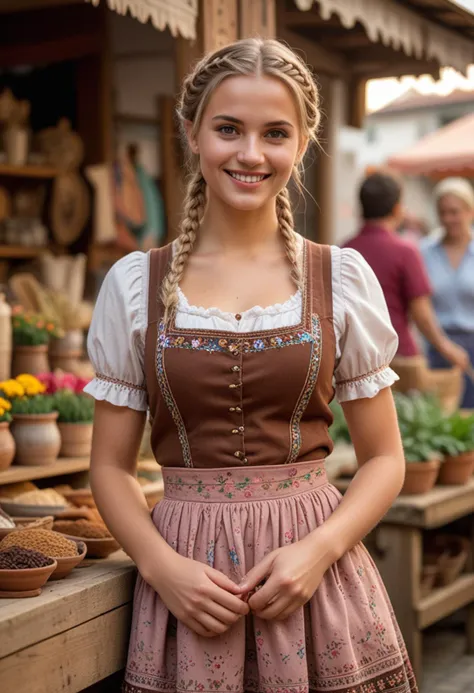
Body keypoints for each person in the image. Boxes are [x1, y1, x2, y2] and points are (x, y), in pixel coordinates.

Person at [84, 39, 418, 693]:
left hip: (315, 581)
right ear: (192, 131)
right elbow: (108, 466)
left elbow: (385, 458)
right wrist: (160, 566)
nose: (250, 153)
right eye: (228, 128)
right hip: (187, 583)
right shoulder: (134, 285)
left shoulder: (341, 278)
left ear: (302, 142)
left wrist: (318, 549)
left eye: (275, 133)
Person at [344, 171, 468, 372]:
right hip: (399, 358)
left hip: (355, 357)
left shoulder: (343, 251)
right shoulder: (405, 252)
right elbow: (422, 315)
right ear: (397, 209)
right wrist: (447, 349)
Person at [421, 178, 474, 408]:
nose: (448, 219)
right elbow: (419, 304)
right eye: (442, 212)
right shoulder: (425, 251)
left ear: (470, 211)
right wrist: (441, 344)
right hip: (437, 346)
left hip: (472, 345)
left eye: (455, 212)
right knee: (442, 420)